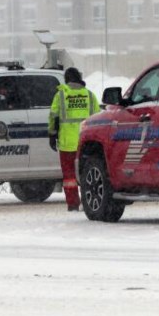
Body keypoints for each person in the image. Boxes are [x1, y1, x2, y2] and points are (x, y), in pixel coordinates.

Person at [48, 67, 99, 211]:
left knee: (70, 176)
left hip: (67, 143)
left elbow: (53, 116)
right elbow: (97, 118)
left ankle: (73, 204)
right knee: (86, 173)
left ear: (67, 80)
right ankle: (89, 201)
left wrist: (52, 135)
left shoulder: (61, 95)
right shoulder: (90, 95)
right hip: (86, 142)